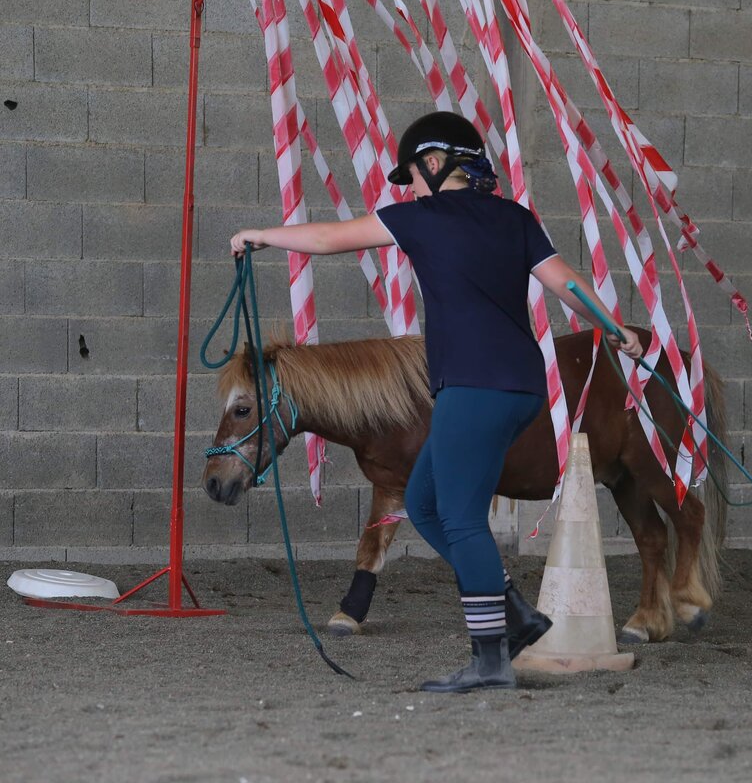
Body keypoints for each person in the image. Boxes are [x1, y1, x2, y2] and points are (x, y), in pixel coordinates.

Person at [230, 111, 643, 693]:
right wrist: (614, 327)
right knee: (423, 504)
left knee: (461, 519)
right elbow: (566, 284)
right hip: (522, 387)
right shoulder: (516, 219)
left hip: (472, 385)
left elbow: (328, 239)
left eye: (412, 176)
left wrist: (260, 235)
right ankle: (516, 615)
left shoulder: (420, 219)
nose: (409, 188)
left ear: (433, 164)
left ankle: (491, 658)